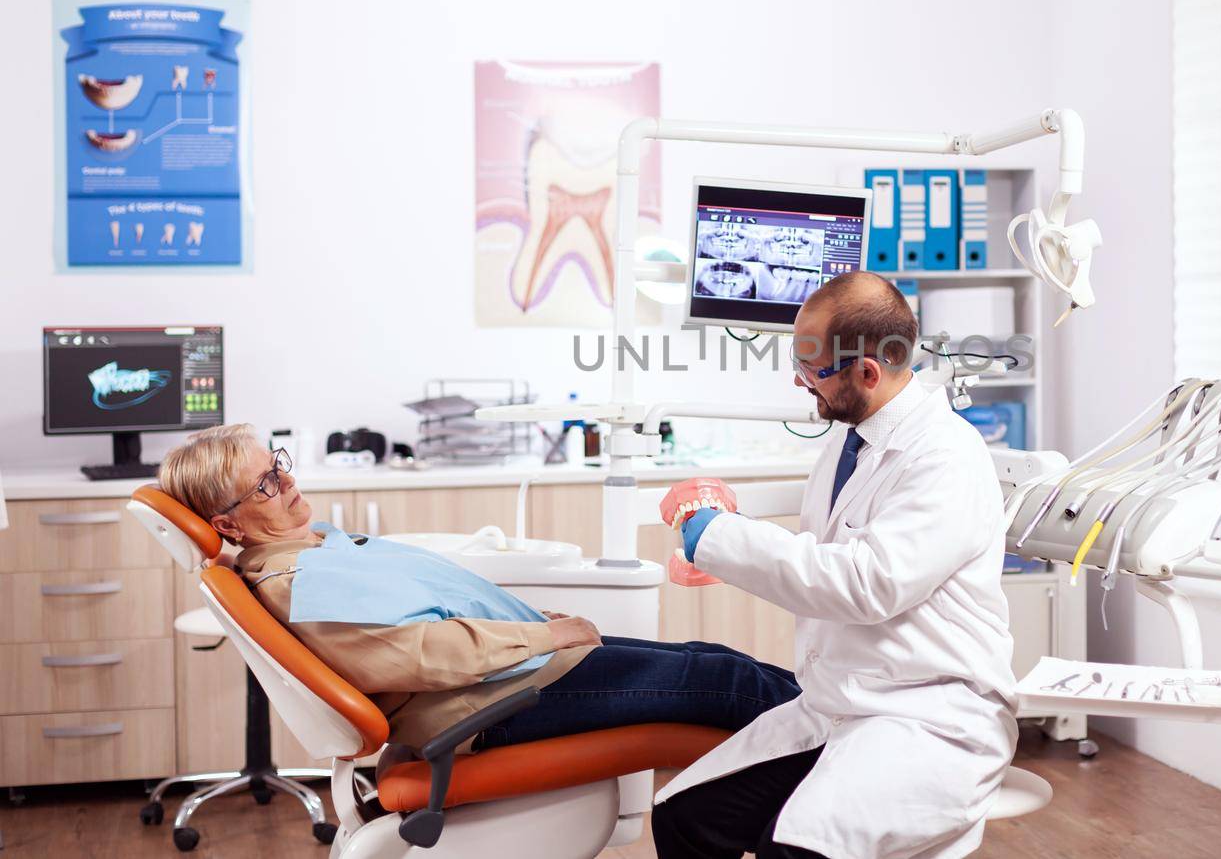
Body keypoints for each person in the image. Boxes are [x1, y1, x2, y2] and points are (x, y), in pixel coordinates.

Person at [651, 271, 1017, 859]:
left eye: (811, 372)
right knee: (683, 815)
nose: (801, 385)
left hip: (928, 716)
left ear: (867, 372)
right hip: (836, 705)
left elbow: (864, 582)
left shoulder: (946, 457)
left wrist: (718, 536)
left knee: (795, 849)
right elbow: (825, 553)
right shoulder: (852, 439)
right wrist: (725, 537)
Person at [157, 425, 799, 752]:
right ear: (226, 524)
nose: (286, 483)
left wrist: (531, 624)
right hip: (496, 705)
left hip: (519, 674)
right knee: (730, 683)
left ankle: (833, 749)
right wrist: (545, 634)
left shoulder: (315, 545)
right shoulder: (298, 585)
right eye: (265, 485)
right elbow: (432, 654)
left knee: (716, 662)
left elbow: (424, 607)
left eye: (278, 466)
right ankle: (843, 771)